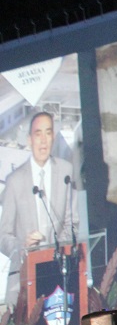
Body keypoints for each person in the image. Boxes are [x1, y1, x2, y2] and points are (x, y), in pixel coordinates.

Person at [0, 111, 78, 308]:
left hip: (61, 276)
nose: (43, 140)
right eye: (38, 134)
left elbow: (73, 223)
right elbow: (3, 235)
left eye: (48, 133)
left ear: (53, 137)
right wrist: (22, 246)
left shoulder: (66, 171)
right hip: (24, 280)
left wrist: (57, 251)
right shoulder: (14, 181)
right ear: (29, 139)